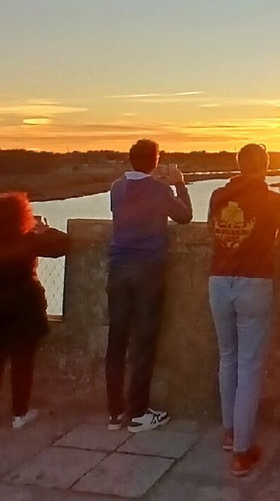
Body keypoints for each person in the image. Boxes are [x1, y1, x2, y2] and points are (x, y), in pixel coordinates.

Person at [207, 143, 280, 477]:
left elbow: (213, 232)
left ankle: (231, 431)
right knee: (249, 366)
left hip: (219, 281)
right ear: (265, 165)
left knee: (228, 358)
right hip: (254, 282)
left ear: (238, 164)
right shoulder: (273, 200)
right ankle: (242, 451)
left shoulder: (218, 196)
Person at [105, 139, 192, 432]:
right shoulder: (159, 189)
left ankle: (115, 413)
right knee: (144, 341)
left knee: (116, 340)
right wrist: (179, 184)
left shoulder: (117, 188)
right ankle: (139, 413)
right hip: (148, 269)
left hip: (118, 266)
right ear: (154, 160)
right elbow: (184, 217)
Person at [0, 193, 71, 431]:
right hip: (24, 304)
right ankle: (20, 413)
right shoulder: (29, 240)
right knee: (22, 361)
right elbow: (64, 244)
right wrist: (43, 229)